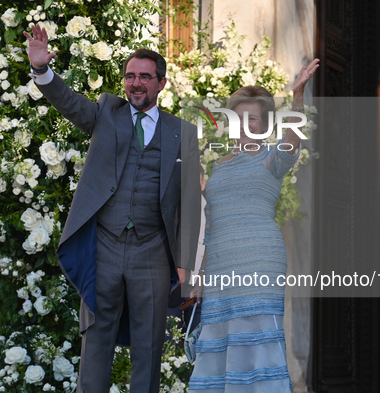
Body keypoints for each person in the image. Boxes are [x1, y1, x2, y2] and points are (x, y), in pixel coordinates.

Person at [23, 25, 200, 393]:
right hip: (104, 245)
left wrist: (185, 264)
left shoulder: (182, 132)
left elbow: (190, 203)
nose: (136, 83)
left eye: (145, 77)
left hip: (152, 250)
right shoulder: (107, 112)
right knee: (97, 339)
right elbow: (70, 102)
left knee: (149, 345)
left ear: (161, 84)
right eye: (130, 76)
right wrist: (42, 70)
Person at [189, 59, 319, 392]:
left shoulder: (272, 158)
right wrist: (200, 278)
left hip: (260, 261)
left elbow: (293, 140)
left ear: (264, 126)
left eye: (253, 119)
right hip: (219, 266)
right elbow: (213, 226)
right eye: (240, 118)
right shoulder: (217, 165)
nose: (246, 125)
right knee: (219, 347)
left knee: (258, 348)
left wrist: (297, 96)